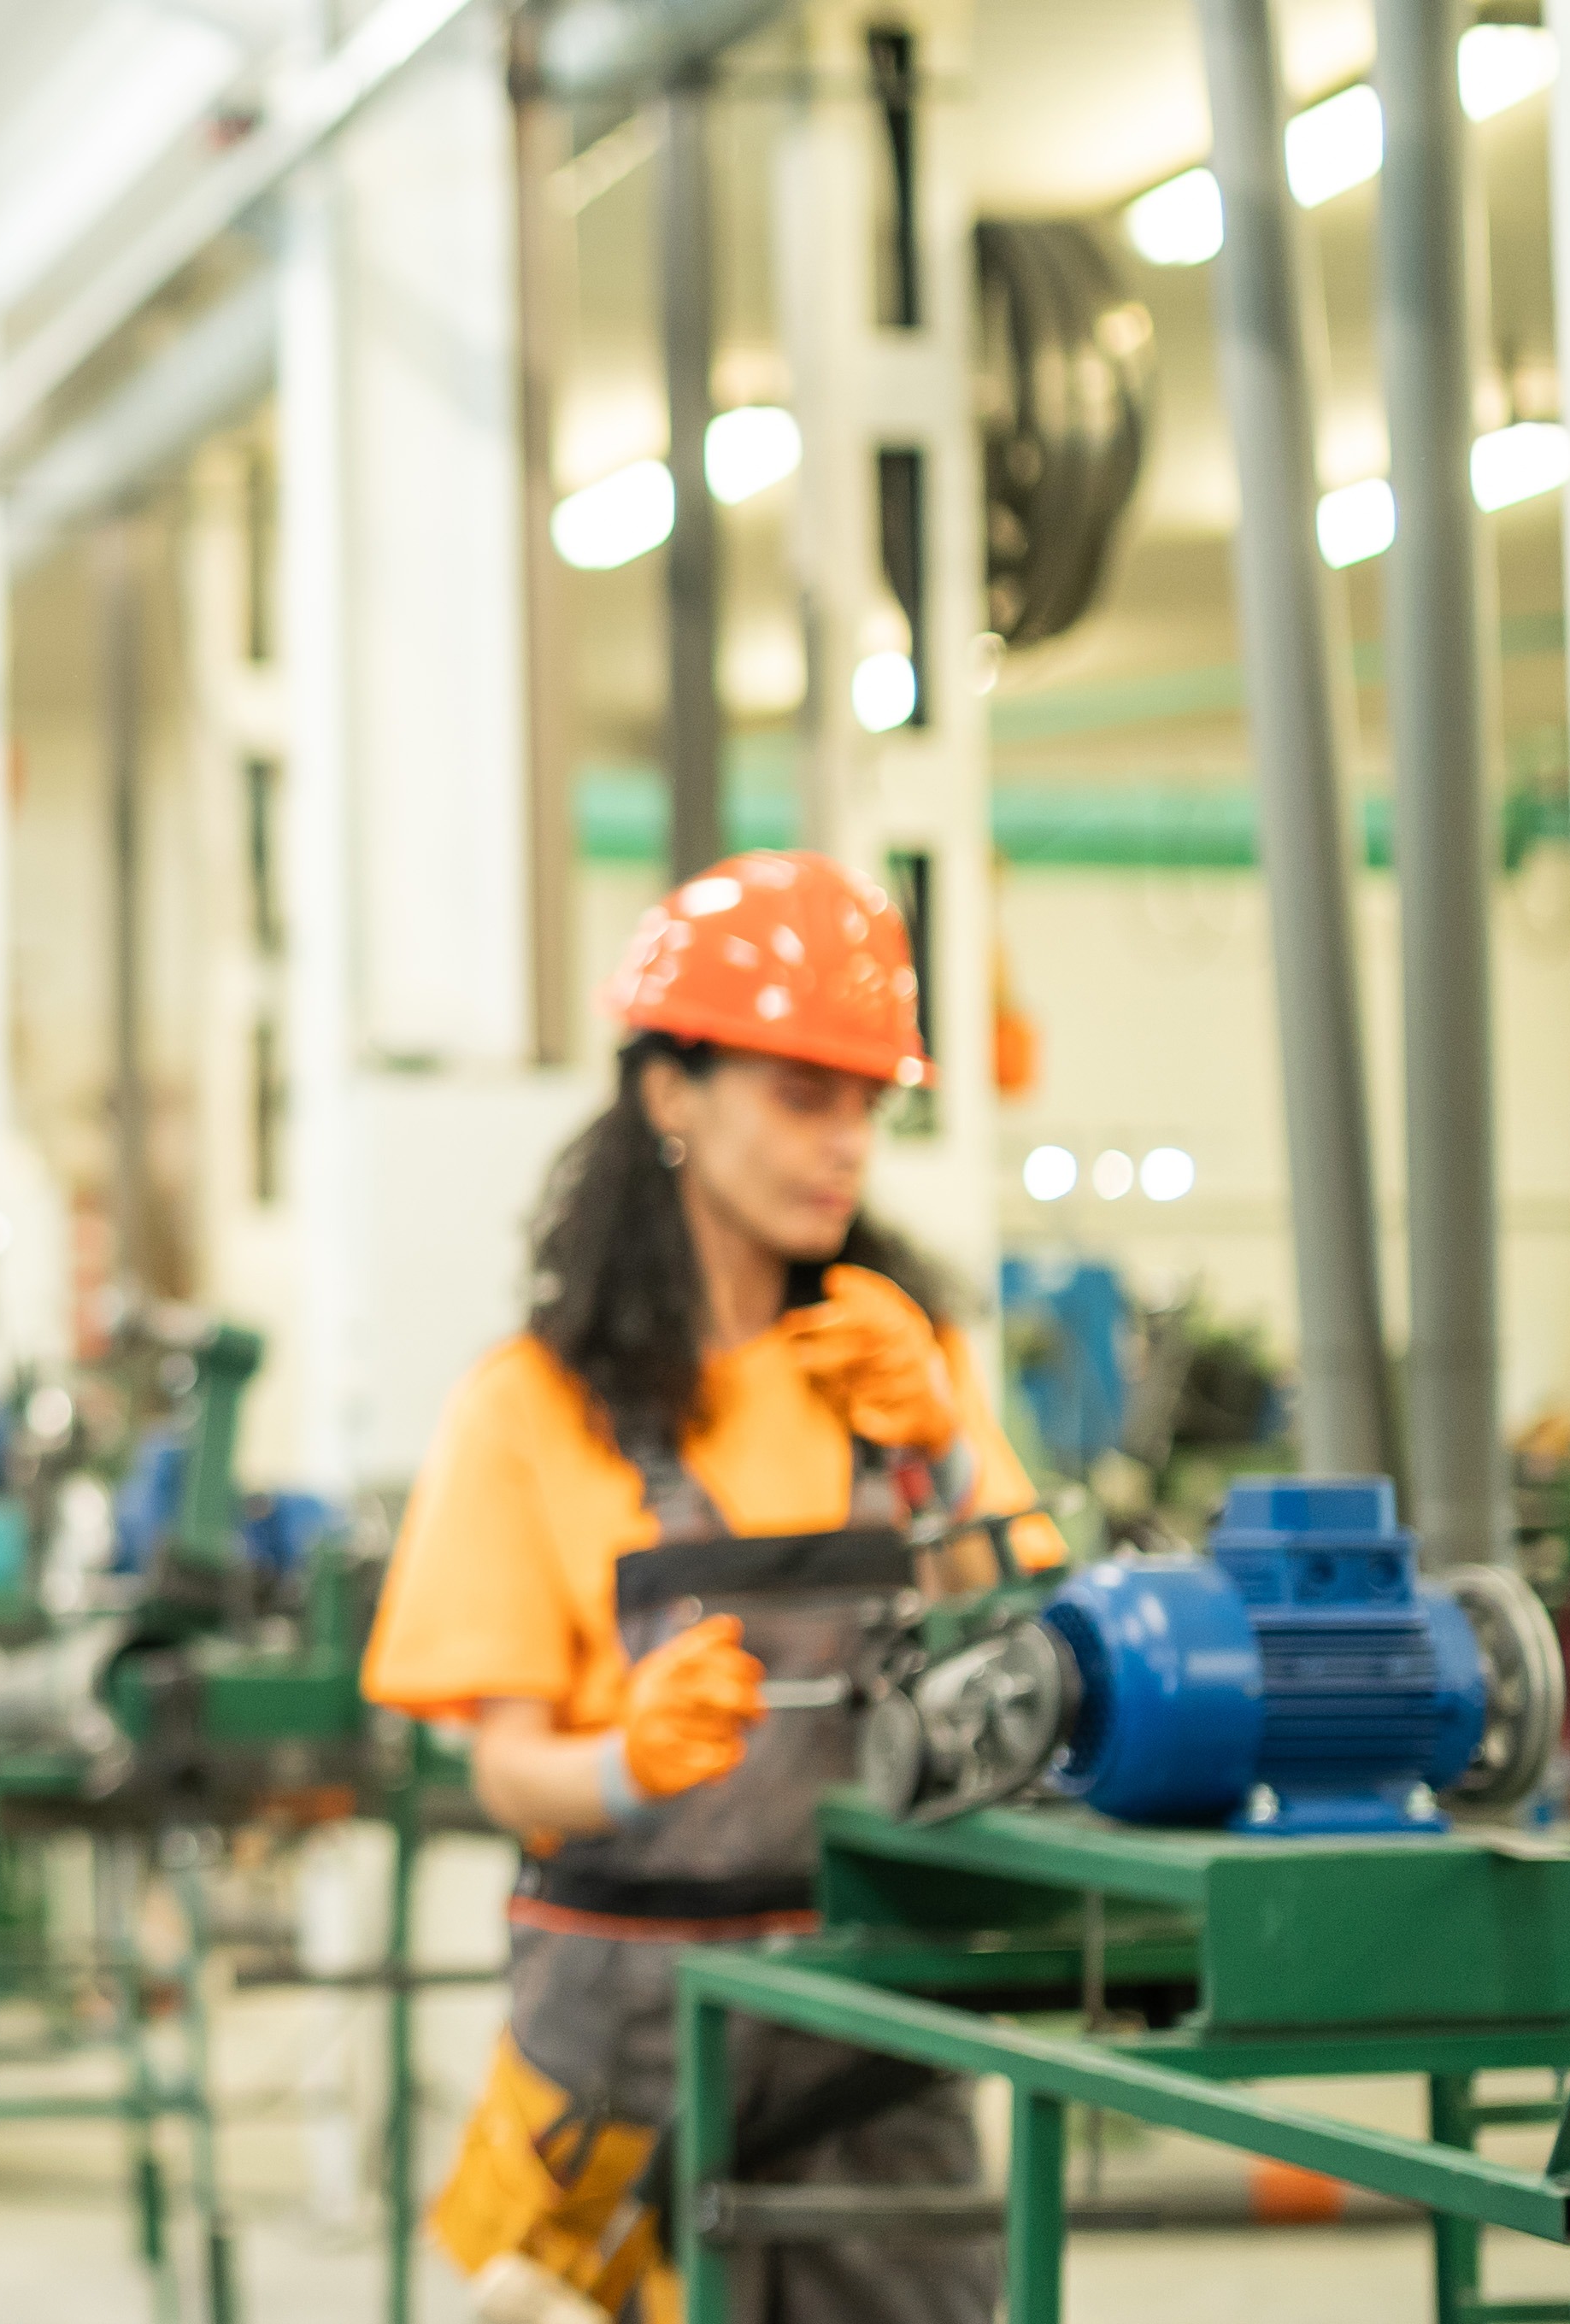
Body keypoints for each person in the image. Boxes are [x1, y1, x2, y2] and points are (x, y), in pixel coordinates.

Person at [363, 851, 1060, 2324]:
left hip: (875, 2035)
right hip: (622, 2049)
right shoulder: (529, 1411)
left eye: (870, 1103)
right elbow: (504, 1771)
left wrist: (937, 1444)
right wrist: (622, 1763)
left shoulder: (899, 1367)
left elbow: (1020, 1665)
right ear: (671, 1093)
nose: (847, 1142)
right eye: (804, 1093)